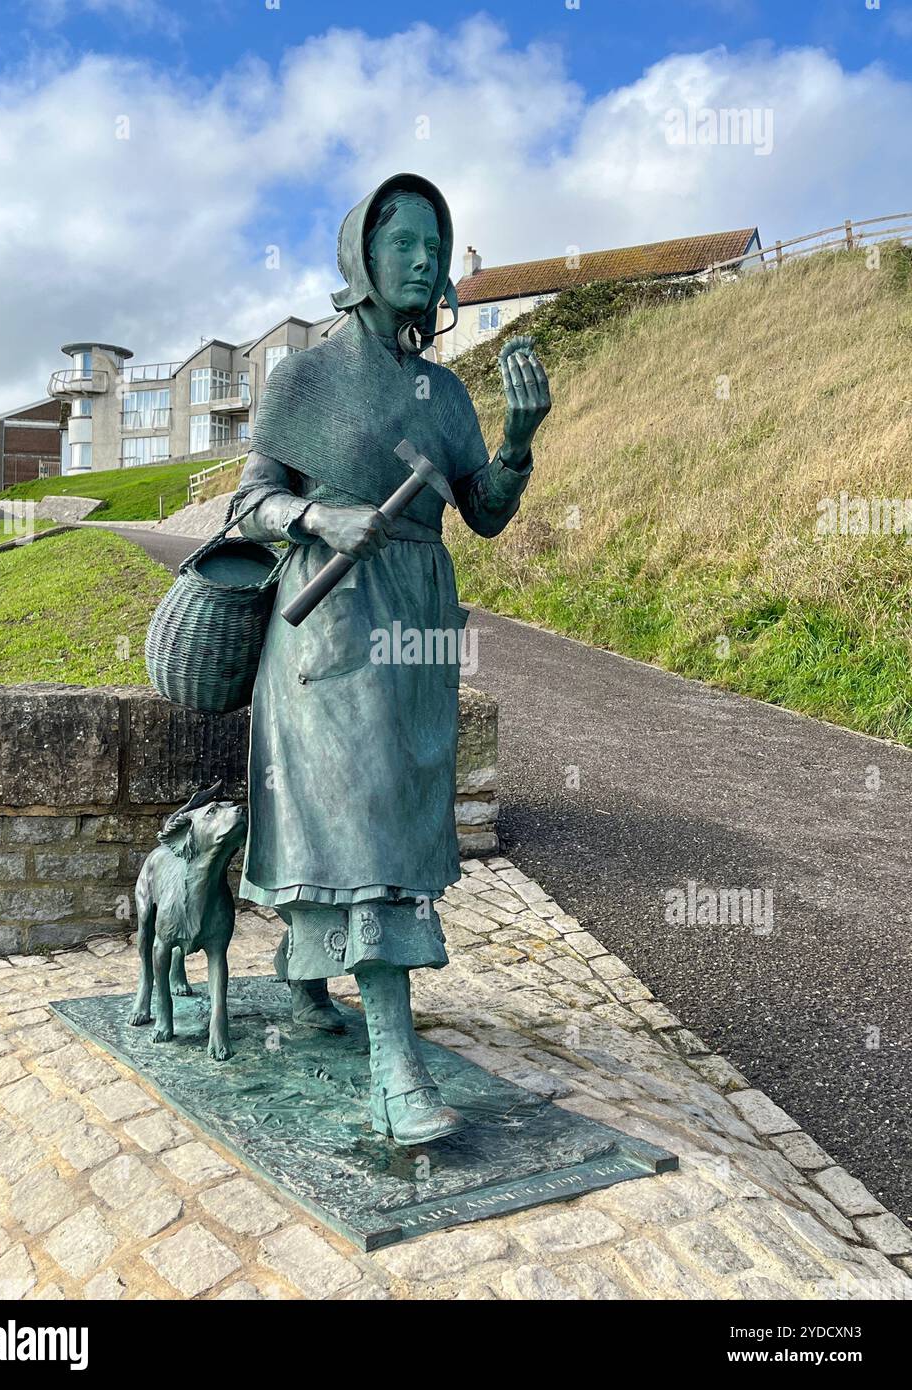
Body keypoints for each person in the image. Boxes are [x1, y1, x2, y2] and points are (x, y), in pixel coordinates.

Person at [234, 173, 551, 1144]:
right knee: (361, 811)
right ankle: (393, 1065)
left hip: (418, 621)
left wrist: (520, 440)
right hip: (327, 622)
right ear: (361, 260)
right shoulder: (305, 376)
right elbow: (250, 506)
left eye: (437, 247)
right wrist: (315, 514)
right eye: (405, 243)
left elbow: (484, 514)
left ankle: (309, 985)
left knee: (395, 812)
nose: (424, 261)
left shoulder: (447, 393)